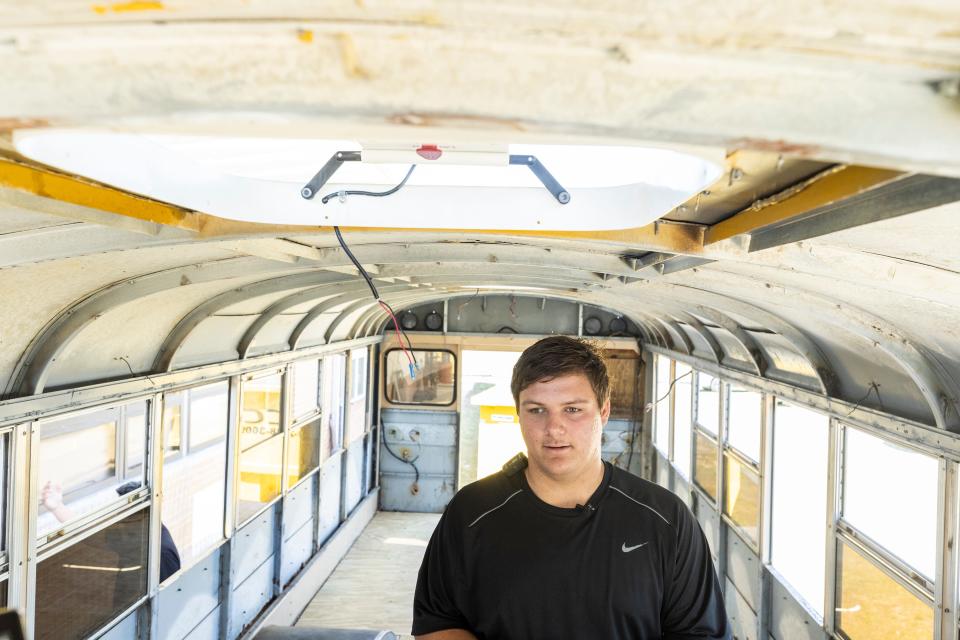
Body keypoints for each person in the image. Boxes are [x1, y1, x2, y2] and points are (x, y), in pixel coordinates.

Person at [412, 336, 730, 639]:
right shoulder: (472, 511)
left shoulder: (664, 519)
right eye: (536, 410)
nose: (554, 428)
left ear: (603, 411)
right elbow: (436, 621)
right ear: (518, 413)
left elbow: (701, 632)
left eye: (573, 409)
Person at [41, 479, 182, 582]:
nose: (119, 520)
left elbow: (167, 602)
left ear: (142, 515)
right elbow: (89, 532)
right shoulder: (132, 535)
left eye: (125, 514)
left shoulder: (162, 554)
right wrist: (57, 507)